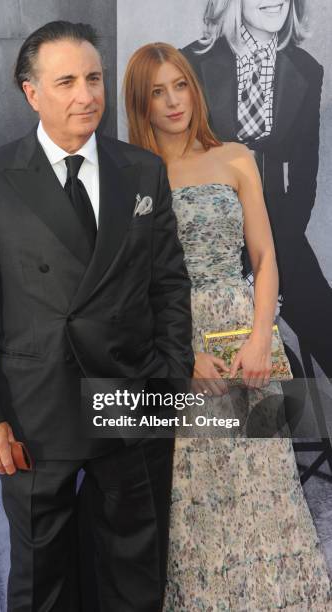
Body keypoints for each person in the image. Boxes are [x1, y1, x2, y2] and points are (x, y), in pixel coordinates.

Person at [0, 21, 194, 612]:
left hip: (134, 400)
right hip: (38, 413)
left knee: (136, 573)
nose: (86, 94)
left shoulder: (141, 169)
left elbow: (169, 285)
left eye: (94, 78)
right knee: (42, 580)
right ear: (32, 93)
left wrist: (172, 382)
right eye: (66, 82)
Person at [124, 42, 332, 610]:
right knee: (203, 496)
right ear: (140, 102)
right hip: (182, 347)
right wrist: (181, 360)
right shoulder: (132, 176)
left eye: (181, 86)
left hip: (247, 337)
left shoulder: (236, 157)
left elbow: (265, 260)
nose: (173, 102)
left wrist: (263, 336)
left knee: (268, 487)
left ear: (196, 87)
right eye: (158, 92)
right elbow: (130, 287)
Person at [180, 0, 332, 380]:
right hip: (210, 232)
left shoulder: (306, 69)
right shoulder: (190, 63)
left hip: (281, 229)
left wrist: (272, 262)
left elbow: (303, 177)